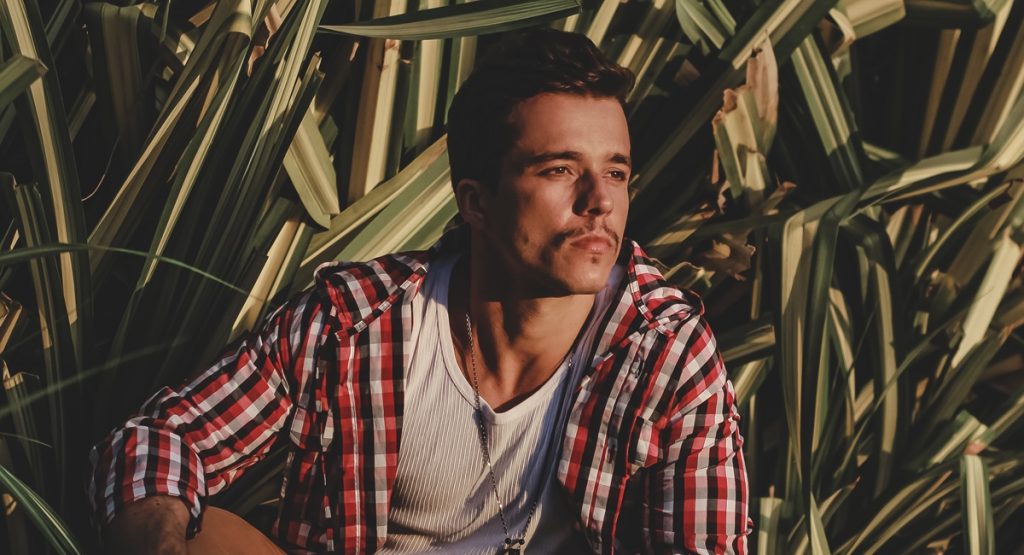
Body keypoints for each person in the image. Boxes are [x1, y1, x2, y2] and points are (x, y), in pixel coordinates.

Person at [88, 27, 753, 554]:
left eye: (616, 172)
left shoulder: (664, 354)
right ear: (477, 202)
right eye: (559, 170)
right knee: (199, 532)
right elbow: (163, 438)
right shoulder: (355, 323)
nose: (599, 201)